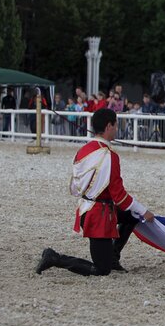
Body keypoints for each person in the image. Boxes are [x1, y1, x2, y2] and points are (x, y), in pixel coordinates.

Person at [36, 109, 155, 276]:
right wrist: (144, 210)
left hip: (88, 209)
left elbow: (75, 187)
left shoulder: (83, 150)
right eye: (115, 125)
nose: (116, 129)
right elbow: (119, 196)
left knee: (131, 216)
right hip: (99, 217)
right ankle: (56, 258)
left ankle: (113, 257)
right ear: (109, 126)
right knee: (101, 269)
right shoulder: (109, 156)